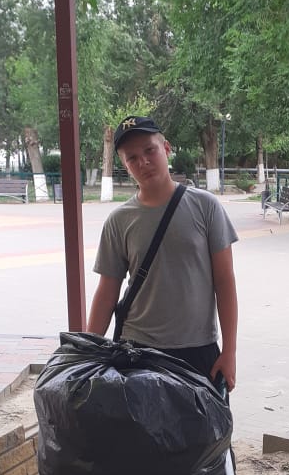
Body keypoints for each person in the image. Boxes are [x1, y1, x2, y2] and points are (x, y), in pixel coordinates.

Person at [87, 116, 239, 389]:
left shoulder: (206, 206)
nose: (143, 162)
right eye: (132, 158)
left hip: (197, 350)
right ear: (125, 165)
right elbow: (107, 292)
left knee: (201, 420)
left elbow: (225, 281)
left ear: (166, 148)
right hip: (137, 352)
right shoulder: (119, 220)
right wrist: (88, 353)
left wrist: (230, 351)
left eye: (150, 150)